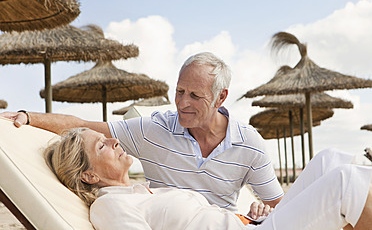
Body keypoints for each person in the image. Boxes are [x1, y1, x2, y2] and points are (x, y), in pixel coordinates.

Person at [0, 52, 283, 215]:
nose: (183, 103)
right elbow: (82, 125)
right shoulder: (153, 130)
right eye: (180, 91)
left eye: (195, 95)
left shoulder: (249, 144)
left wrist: (262, 213)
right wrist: (28, 116)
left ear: (221, 97)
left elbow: (279, 206)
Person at [44, 127, 372, 230]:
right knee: (344, 184)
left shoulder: (142, 192)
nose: (114, 141)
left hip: (253, 226)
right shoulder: (109, 207)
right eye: (102, 144)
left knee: (330, 159)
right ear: (88, 174)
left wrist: (246, 215)